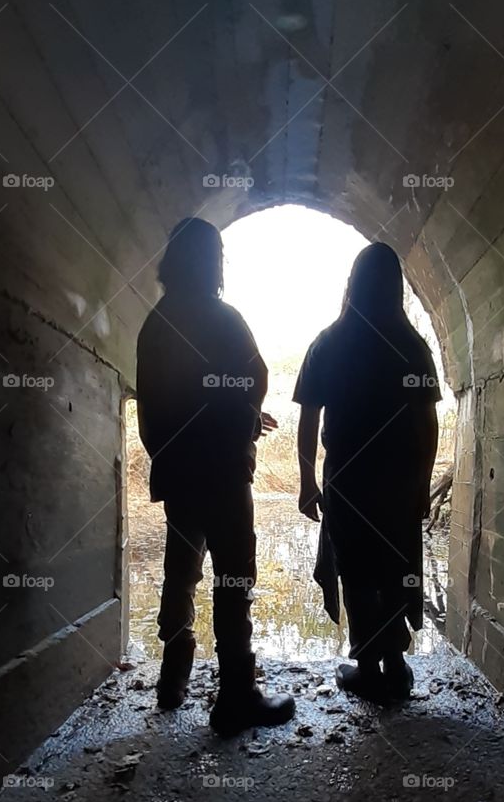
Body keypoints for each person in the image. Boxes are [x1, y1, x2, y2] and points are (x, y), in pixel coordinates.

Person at [136, 217, 295, 734]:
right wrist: (245, 420)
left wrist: (172, 455)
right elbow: (255, 377)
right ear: (213, 263)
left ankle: (173, 675)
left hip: (181, 473)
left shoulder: (155, 326)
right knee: (232, 578)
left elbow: (156, 411)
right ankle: (234, 695)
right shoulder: (223, 318)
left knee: (180, 569)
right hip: (224, 473)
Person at [293, 242, 440, 700]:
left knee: (356, 572)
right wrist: (422, 482)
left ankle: (368, 669)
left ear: (351, 284)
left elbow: (308, 417)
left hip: (348, 480)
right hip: (397, 482)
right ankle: (396, 663)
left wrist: (307, 481)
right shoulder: (411, 346)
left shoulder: (330, 343)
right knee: (396, 568)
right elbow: (427, 422)